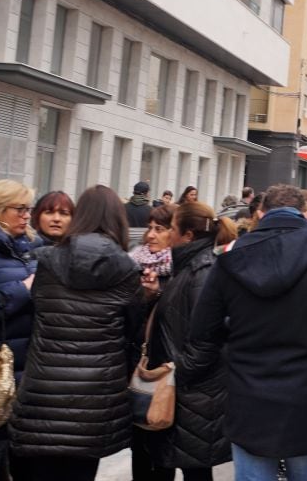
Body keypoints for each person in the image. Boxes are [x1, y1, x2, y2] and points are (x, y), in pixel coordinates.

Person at [178, 184, 307, 481]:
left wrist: (233, 350)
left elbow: (202, 329)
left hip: (249, 394)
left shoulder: (231, 258)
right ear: (305, 214)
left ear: (260, 213)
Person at [10, 185, 141, 481]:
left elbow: (38, 310)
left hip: (42, 391)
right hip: (96, 399)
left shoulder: (46, 261)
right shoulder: (127, 269)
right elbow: (131, 332)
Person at [140, 203, 237, 480]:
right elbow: (184, 320)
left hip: (191, 393)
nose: (163, 234)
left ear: (188, 235)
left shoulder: (202, 272)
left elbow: (208, 339)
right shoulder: (190, 267)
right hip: (186, 391)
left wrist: (175, 373)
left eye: (169, 228)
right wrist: (158, 295)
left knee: (194, 470)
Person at [0, 180, 38, 479]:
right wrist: (23, 290)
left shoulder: (30, 247)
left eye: (28, 209)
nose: (26, 216)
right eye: (20, 209)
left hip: (24, 372)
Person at [127, 202, 176, 480]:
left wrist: (159, 293)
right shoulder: (133, 263)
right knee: (139, 444)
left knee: (162, 443)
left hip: (167, 370)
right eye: (150, 228)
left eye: (160, 229)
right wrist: (144, 296)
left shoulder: (179, 270)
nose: (151, 235)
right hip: (138, 366)